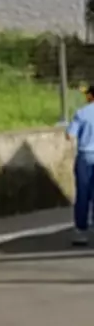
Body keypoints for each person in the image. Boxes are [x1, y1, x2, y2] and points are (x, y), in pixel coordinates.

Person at [67, 85, 94, 246]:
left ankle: (81, 232)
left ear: (91, 96)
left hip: (85, 157)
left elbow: (70, 136)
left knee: (83, 194)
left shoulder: (82, 113)